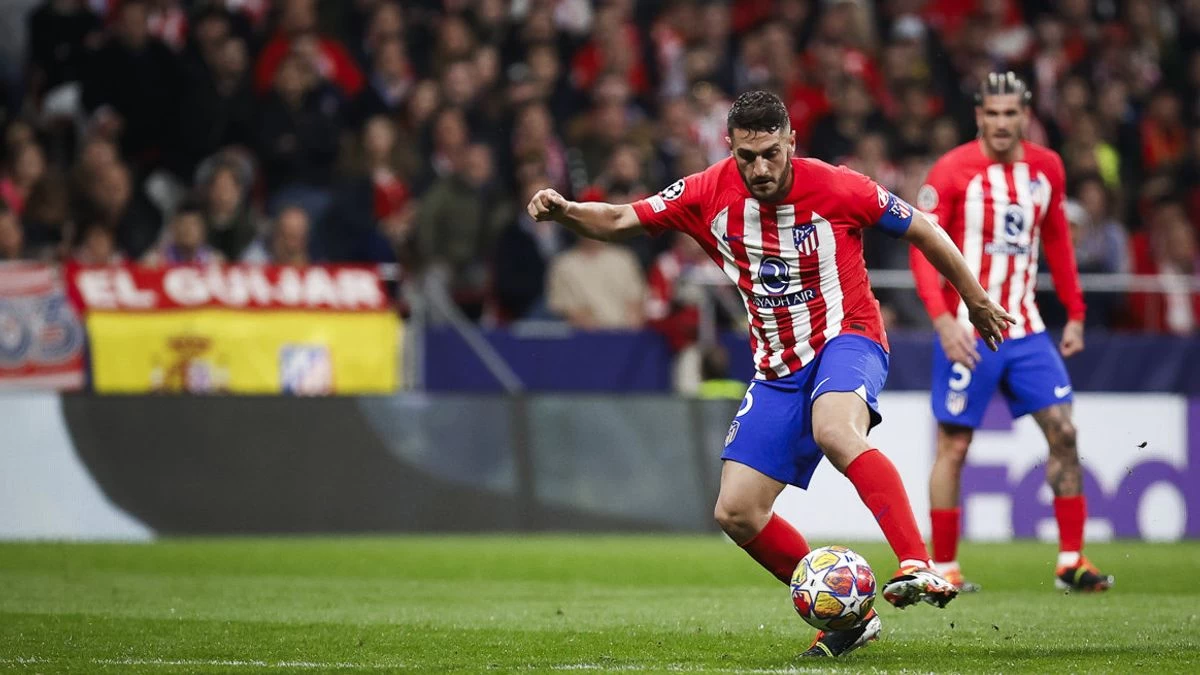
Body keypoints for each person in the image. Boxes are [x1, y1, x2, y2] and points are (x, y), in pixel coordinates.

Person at [528, 90, 1014, 658]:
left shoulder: (839, 187)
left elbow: (924, 229)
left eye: (771, 154)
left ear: (791, 143)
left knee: (835, 429)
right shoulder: (706, 192)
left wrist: (975, 300)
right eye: (747, 156)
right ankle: (847, 616)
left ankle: (916, 562)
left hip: (848, 337)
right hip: (778, 367)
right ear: (730, 147)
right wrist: (566, 211)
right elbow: (619, 217)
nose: (760, 169)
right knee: (736, 511)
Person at [909, 72, 1114, 595]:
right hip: (966, 331)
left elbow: (1058, 239)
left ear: (1025, 115)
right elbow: (922, 246)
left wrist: (1076, 311)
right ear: (979, 115)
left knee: (1064, 433)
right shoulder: (951, 170)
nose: (1001, 123)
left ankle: (1071, 561)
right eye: (993, 113)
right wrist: (942, 321)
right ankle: (945, 568)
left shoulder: (1047, 168)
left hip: (1026, 329)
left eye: (1011, 113)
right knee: (954, 446)